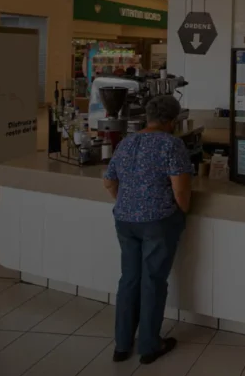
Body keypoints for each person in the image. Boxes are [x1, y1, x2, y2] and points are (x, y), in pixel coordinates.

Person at [102, 95, 193, 365]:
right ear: (172, 121)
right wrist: (181, 212)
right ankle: (149, 346)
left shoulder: (127, 142)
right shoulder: (171, 144)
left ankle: (122, 345)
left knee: (129, 279)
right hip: (157, 221)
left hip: (125, 220)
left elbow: (109, 182)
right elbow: (181, 190)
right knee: (152, 281)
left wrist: (127, 203)